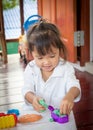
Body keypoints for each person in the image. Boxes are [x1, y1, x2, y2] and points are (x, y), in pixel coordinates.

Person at [22, 19, 81, 120]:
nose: (46, 62)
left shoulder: (66, 68)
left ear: (59, 49)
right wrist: (33, 99)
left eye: (52, 56)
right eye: (40, 58)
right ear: (32, 54)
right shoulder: (31, 68)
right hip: (36, 114)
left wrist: (70, 96)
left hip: (60, 115)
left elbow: (74, 86)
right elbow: (27, 89)